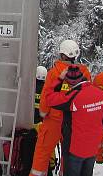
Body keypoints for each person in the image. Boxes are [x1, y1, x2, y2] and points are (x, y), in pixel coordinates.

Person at [30, 40, 90, 176]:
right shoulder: (84, 73)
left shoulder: (54, 73)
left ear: (62, 55)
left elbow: (46, 96)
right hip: (74, 122)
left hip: (54, 121)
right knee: (68, 155)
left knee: (42, 153)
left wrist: (44, 114)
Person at [45, 64, 103, 176]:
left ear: (69, 82)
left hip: (75, 148)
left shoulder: (72, 97)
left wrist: (59, 79)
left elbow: (49, 98)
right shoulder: (101, 93)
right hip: (93, 147)